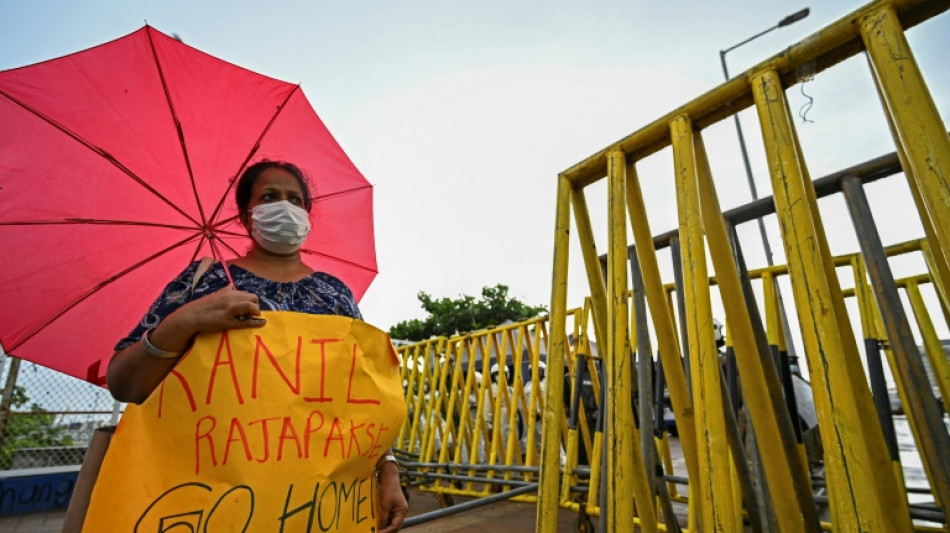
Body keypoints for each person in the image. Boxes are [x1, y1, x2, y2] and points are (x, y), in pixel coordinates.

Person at [107, 160, 408, 533]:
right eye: (270, 197)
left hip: (323, 508)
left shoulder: (334, 294)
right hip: (214, 505)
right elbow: (124, 384)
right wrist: (186, 320)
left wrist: (389, 472)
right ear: (247, 215)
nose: (286, 207)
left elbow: (366, 401)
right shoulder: (206, 281)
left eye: (296, 200)